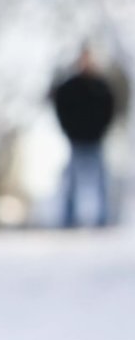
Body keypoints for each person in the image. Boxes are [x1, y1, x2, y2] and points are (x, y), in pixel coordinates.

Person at [52, 46, 116, 228]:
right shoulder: (70, 86)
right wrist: (67, 129)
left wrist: (102, 130)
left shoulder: (101, 86)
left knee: (102, 180)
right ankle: (68, 219)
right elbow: (60, 106)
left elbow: (110, 109)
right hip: (75, 139)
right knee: (71, 180)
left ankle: (102, 218)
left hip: (96, 139)